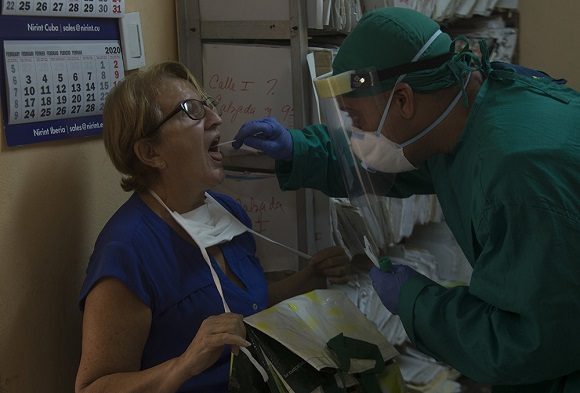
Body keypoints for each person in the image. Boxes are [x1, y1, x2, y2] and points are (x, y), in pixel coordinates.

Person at [232, 7, 580, 393]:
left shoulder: (516, 175)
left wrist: (416, 301)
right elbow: (382, 164)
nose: (357, 135)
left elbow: (524, 344)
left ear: (403, 100)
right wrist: (299, 150)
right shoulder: (470, 109)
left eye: (357, 120)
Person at [75, 61, 350, 393]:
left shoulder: (227, 212)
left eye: (209, 105)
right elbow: (93, 387)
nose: (216, 118)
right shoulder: (127, 251)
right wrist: (183, 365)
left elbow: (243, 308)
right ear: (151, 152)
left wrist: (307, 279)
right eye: (191, 111)